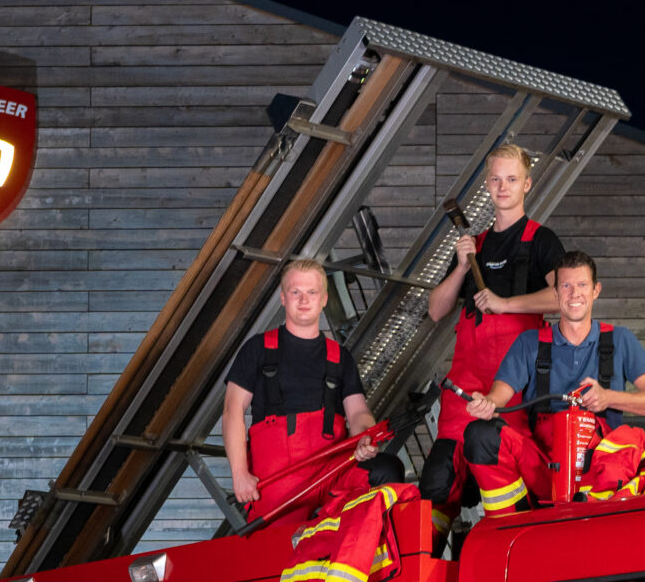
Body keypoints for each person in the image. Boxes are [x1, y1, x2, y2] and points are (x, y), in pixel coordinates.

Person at [419, 143, 566, 524]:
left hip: (515, 386)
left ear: (527, 184)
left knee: (506, 473)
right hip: (464, 388)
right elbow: (436, 310)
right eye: (496, 179)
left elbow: (564, 297)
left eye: (512, 179)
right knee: (436, 484)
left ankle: (511, 551)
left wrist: (505, 305)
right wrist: (461, 267)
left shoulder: (541, 240)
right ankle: (430, 577)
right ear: (487, 183)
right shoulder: (475, 246)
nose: (503, 187)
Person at [461, 253, 645, 512]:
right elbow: (498, 398)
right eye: (566, 286)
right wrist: (485, 404)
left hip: (602, 470)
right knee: (480, 435)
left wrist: (608, 398)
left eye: (582, 285)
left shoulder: (620, 340)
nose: (575, 294)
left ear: (596, 290)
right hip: (544, 468)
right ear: (556, 293)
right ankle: (509, 526)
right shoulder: (530, 344)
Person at [218, 257, 397, 524]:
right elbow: (232, 411)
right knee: (281, 557)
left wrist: (363, 438)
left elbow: (358, 411)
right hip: (277, 482)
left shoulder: (340, 357)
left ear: (324, 299)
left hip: (331, 471)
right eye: (296, 292)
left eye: (312, 292)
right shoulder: (258, 349)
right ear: (283, 298)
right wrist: (240, 474)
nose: (304, 300)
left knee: (387, 471)